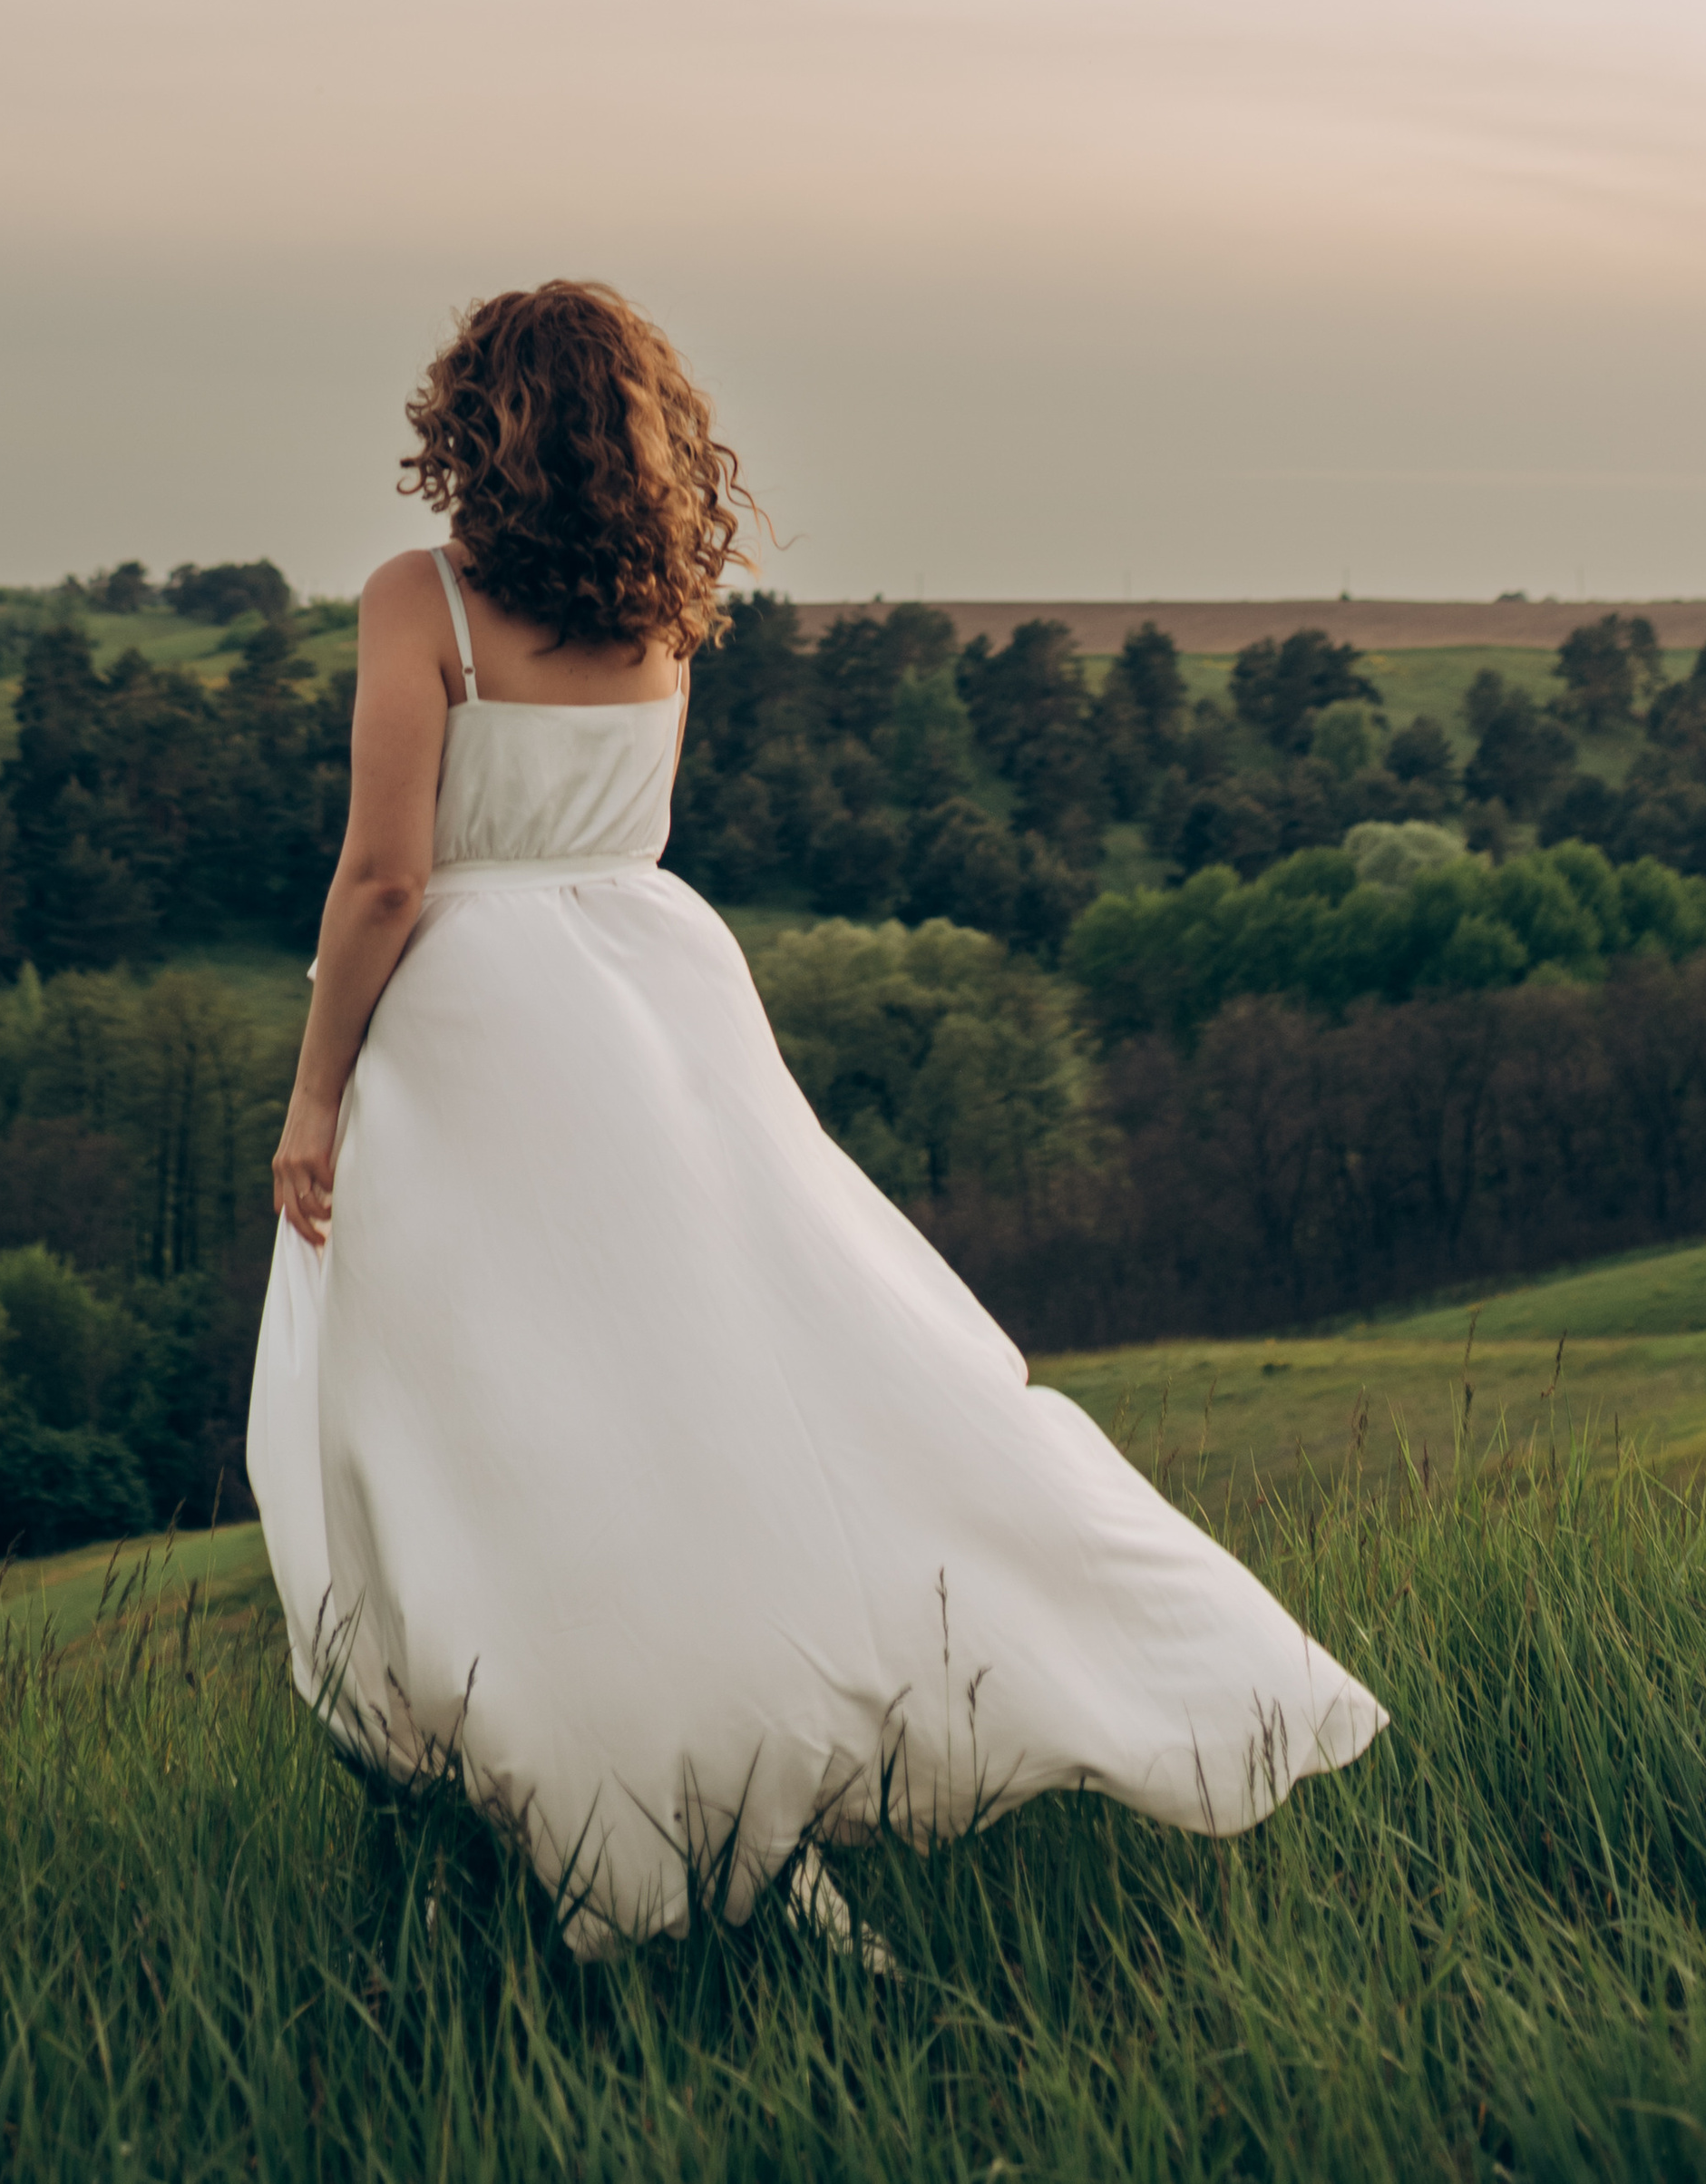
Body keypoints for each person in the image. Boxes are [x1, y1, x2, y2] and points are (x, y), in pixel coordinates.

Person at [247, 283, 1383, 1952]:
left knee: (492, 1428)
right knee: (705, 1392)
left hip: (478, 1028)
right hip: (653, 998)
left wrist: (316, 1087)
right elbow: (610, 835)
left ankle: (587, 1796)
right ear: (637, 427)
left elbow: (391, 873)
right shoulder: (666, 609)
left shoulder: (420, 598)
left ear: (471, 423)